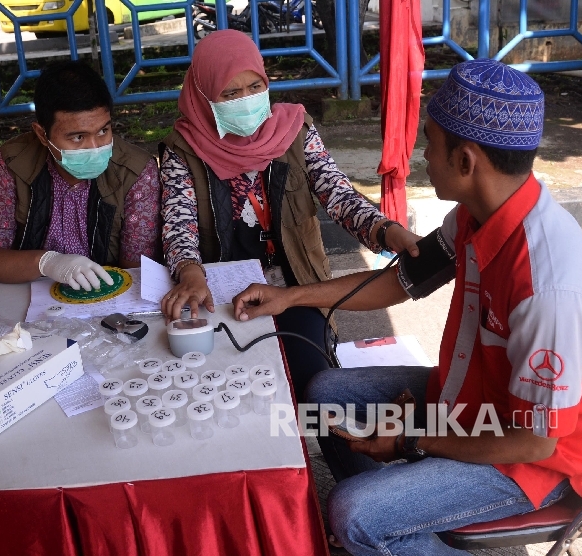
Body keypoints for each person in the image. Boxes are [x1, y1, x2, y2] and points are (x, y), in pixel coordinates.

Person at [232, 59, 582, 555]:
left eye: (429, 142)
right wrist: (291, 296)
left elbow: (534, 443)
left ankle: (384, 520)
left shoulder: (549, 286)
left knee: (352, 513)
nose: (421, 155)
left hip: (540, 463)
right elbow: (400, 281)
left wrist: (412, 441)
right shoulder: (476, 217)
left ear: (466, 160)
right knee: (324, 394)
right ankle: (400, 516)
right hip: (477, 407)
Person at [159, 30, 420, 399]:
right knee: (222, 387)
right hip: (216, 292)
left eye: (255, 86)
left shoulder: (296, 131)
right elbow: (178, 224)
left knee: (315, 383)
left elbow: (338, 193)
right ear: (203, 96)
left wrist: (386, 231)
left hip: (296, 285)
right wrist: (189, 273)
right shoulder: (182, 150)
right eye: (230, 94)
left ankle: (337, 454)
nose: (246, 100)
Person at [0, 61, 160, 290]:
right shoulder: (12, 163)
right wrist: (46, 262)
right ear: (42, 134)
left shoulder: (135, 172)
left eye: (103, 131)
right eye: (78, 137)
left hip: (106, 297)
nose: (94, 147)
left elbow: (136, 272)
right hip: (29, 296)